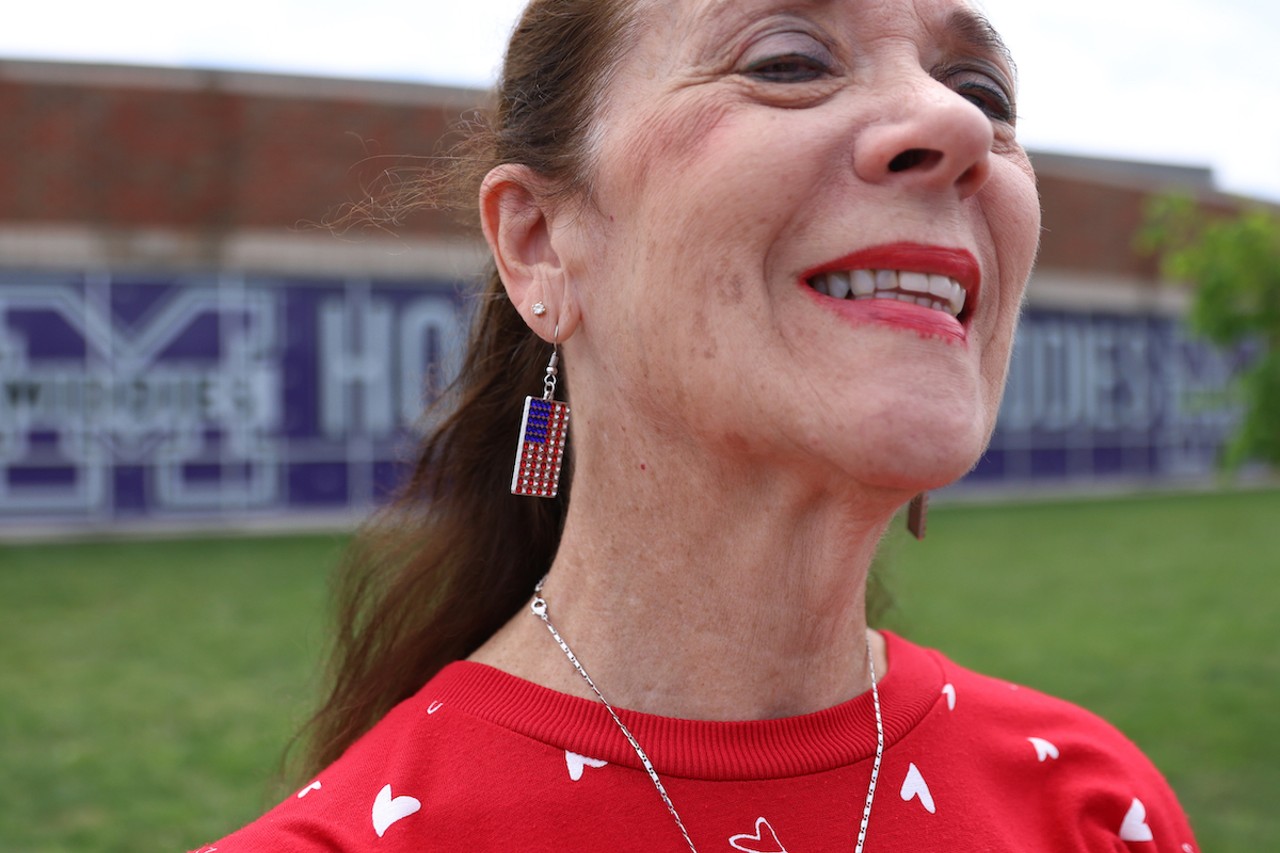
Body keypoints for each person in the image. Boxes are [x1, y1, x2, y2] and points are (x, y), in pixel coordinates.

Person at [192, 0, 1200, 850]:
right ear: (540, 244)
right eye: (789, 61)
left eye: (982, 92)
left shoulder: (1094, 809)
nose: (956, 123)